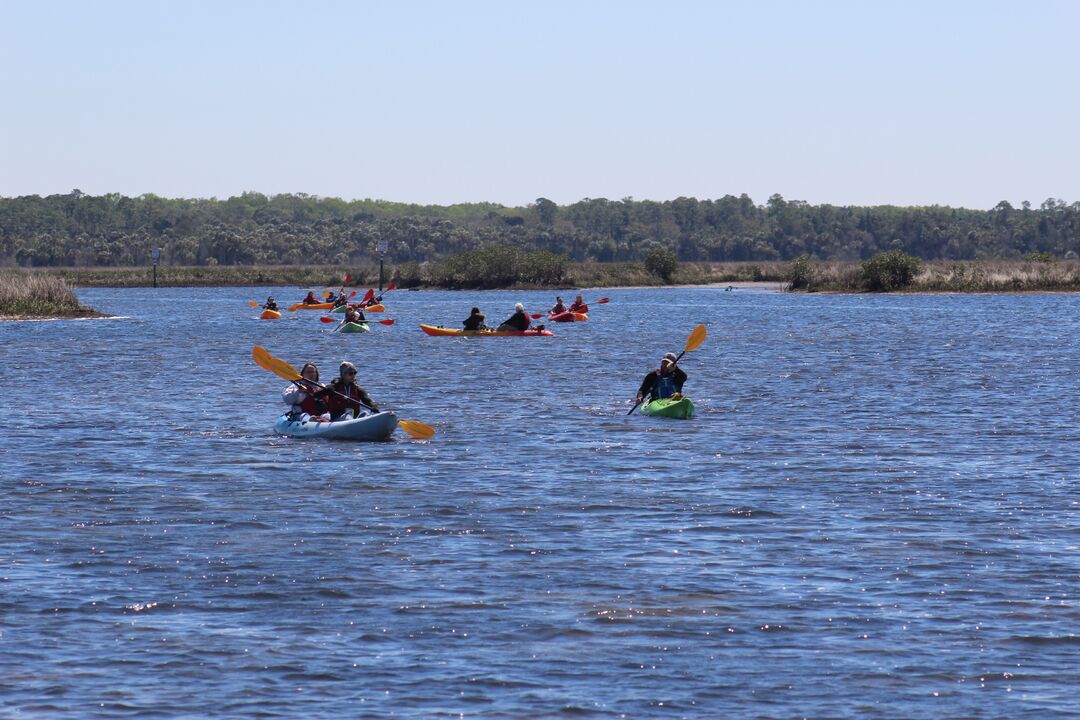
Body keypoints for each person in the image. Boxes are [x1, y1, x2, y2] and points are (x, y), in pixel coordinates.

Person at [314, 361, 379, 420]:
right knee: (347, 417)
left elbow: (367, 400)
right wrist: (326, 390)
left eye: (354, 373)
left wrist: (374, 406)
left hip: (353, 417)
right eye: (350, 373)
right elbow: (316, 395)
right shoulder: (334, 387)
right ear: (343, 374)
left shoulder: (357, 389)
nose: (353, 376)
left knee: (365, 413)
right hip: (337, 417)